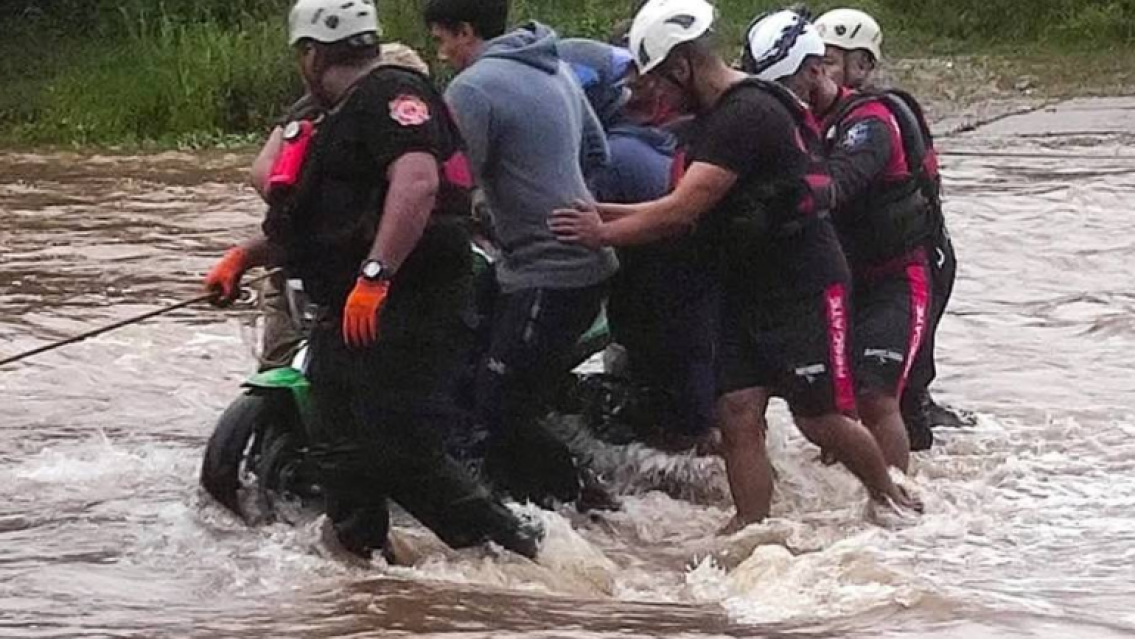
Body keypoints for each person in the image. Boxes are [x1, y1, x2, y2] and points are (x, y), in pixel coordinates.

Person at [550, 0, 922, 531]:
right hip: (748, 285)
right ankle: (750, 525)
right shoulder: (716, 117)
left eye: (658, 79)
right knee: (738, 413)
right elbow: (677, 203)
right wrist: (599, 213)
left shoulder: (746, 115)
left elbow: (680, 213)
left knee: (819, 418)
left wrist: (600, 232)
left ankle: (890, 496)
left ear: (682, 66)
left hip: (803, 284)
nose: (651, 93)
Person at [203, 0, 540, 562]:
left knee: (400, 448)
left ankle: (519, 553)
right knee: (338, 442)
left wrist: (376, 273)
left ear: (310, 53)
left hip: (409, 305)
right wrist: (245, 256)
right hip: (352, 308)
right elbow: (329, 225)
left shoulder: (392, 95)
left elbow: (417, 184)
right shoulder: (333, 117)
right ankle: (365, 566)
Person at [423, 0, 621, 510]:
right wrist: (565, 198)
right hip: (579, 261)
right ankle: (519, 491)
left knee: (499, 403)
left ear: (466, 31)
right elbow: (597, 153)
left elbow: (447, 183)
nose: (443, 54)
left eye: (443, 40)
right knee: (480, 374)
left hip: (549, 272)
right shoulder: (553, 65)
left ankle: (592, 508)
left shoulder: (472, 87)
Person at [744, 10, 930, 472]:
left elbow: (837, 186)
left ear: (818, 71)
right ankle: (838, 503)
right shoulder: (793, 121)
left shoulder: (870, 121)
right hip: (837, 280)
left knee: (875, 397)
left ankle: (896, 508)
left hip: (895, 278)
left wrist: (771, 193)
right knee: (833, 402)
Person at [814, 8, 971, 448]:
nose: (817, 71)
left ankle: (919, 469)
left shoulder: (876, 120)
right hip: (857, 268)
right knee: (845, 393)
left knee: (894, 391)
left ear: (861, 65)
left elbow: (838, 185)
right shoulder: (822, 117)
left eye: (829, 61)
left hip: (914, 262)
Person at [558, 38, 718, 450]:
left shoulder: (613, 158)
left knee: (685, 441)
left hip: (670, 325)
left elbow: (577, 245)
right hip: (689, 320)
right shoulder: (643, 143)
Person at [248, 43, 433, 372]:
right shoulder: (332, 116)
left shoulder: (320, 107)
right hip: (321, 273)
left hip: (300, 262)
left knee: (283, 367)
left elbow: (262, 172)